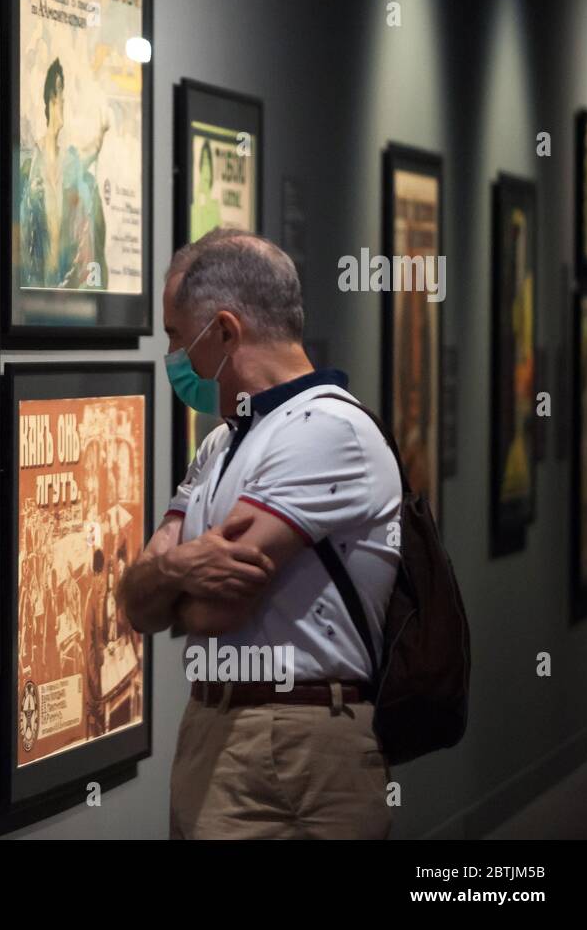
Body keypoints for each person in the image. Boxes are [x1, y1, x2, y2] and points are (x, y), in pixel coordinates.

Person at [117, 231, 400, 839]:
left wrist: (172, 575)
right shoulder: (222, 444)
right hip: (213, 726)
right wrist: (173, 572)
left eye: (175, 337)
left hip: (302, 739)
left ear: (223, 331)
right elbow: (136, 602)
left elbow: (217, 608)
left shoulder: (328, 430)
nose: (174, 358)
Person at [18, 59, 109, 290]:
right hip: (36, 278)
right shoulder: (32, 161)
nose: (64, 102)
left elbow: (89, 153)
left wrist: (101, 133)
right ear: (51, 100)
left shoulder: (68, 161)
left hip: (62, 279)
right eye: (60, 94)